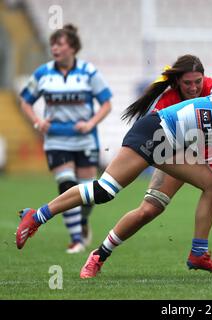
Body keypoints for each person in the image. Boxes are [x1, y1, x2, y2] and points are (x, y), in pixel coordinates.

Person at [16, 21, 212, 277]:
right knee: (105, 191)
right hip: (153, 133)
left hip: (174, 149)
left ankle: (201, 253)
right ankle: (38, 216)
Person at [77, 54, 212, 278]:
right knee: (149, 210)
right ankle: (99, 255)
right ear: (177, 81)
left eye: (198, 81)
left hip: (207, 150)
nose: (194, 87)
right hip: (173, 153)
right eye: (188, 83)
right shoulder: (166, 101)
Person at [19, 24, 112, 253]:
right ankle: (77, 240)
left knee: (88, 195)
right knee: (67, 185)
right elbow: (26, 101)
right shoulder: (43, 73)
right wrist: (38, 121)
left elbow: (107, 104)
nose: (54, 48)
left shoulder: (89, 72)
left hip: (85, 140)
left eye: (59, 44)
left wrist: (90, 123)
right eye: (52, 44)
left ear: (72, 48)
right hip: (56, 140)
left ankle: (82, 221)